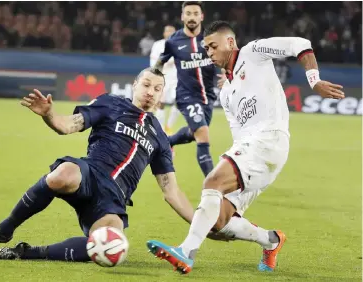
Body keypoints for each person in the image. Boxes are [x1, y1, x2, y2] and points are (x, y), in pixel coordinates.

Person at [147, 21, 345, 274]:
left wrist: (314, 81)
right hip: (252, 150)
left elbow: (301, 45)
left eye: (213, 46)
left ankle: (186, 252)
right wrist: (236, 158)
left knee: (212, 183)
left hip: (270, 139)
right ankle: (271, 240)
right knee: (219, 222)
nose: (209, 53)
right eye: (206, 49)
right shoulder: (226, 92)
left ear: (230, 42)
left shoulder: (253, 52)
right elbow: (239, 134)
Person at [0, 68, 195, 262]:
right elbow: (67, 126)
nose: (150, 92)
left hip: (113, 199)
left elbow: (171, 191)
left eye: (156, 88)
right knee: (61, 174)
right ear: (134, 85)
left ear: (162, 94)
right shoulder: (110, 104)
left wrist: (202, 225)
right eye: (146, 85)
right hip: (89, 174)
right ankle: (3, 230)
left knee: (113, 246)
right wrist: (49, 115)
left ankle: (27, 252)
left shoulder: (160, 138)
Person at [153, 1, 221, 177]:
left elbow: (224, 59)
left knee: (194, 133)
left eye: (195, 13)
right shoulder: (174, 41)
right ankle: (213, 186)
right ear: (182, 16)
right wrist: (154, 80)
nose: (191, 17)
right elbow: (160, 62)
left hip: (208, 97)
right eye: (188, 13)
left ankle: (167, 142)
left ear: (201, 16)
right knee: (203, 136)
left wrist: (228, 76)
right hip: (187, 96)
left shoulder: (211, 37)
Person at [150, 24, 180, 135]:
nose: (170, 33)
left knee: (178, 102)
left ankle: (169, 126)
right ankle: (161, 128)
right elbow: (154, 62)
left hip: (177, 78)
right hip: (162, 78)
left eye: (172, 32)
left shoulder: (180, 45)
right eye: (168, 31)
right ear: (164, 33)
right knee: (160, 103)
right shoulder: (157, 45)